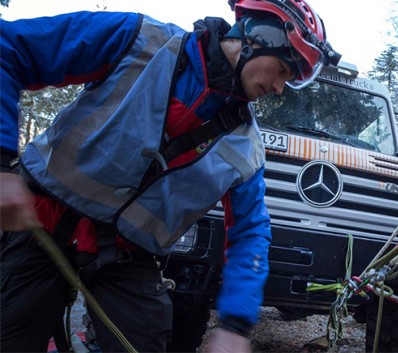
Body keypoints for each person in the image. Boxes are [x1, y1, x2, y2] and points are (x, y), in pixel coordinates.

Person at [0, 0, 339, 352]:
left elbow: (250, 231)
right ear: (258, 38)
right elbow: (8, 49)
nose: (280, 88)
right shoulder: (137, 40)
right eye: (283, 70)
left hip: (125, 256)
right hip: (39, 223)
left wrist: (235, 325)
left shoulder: (248, 150)